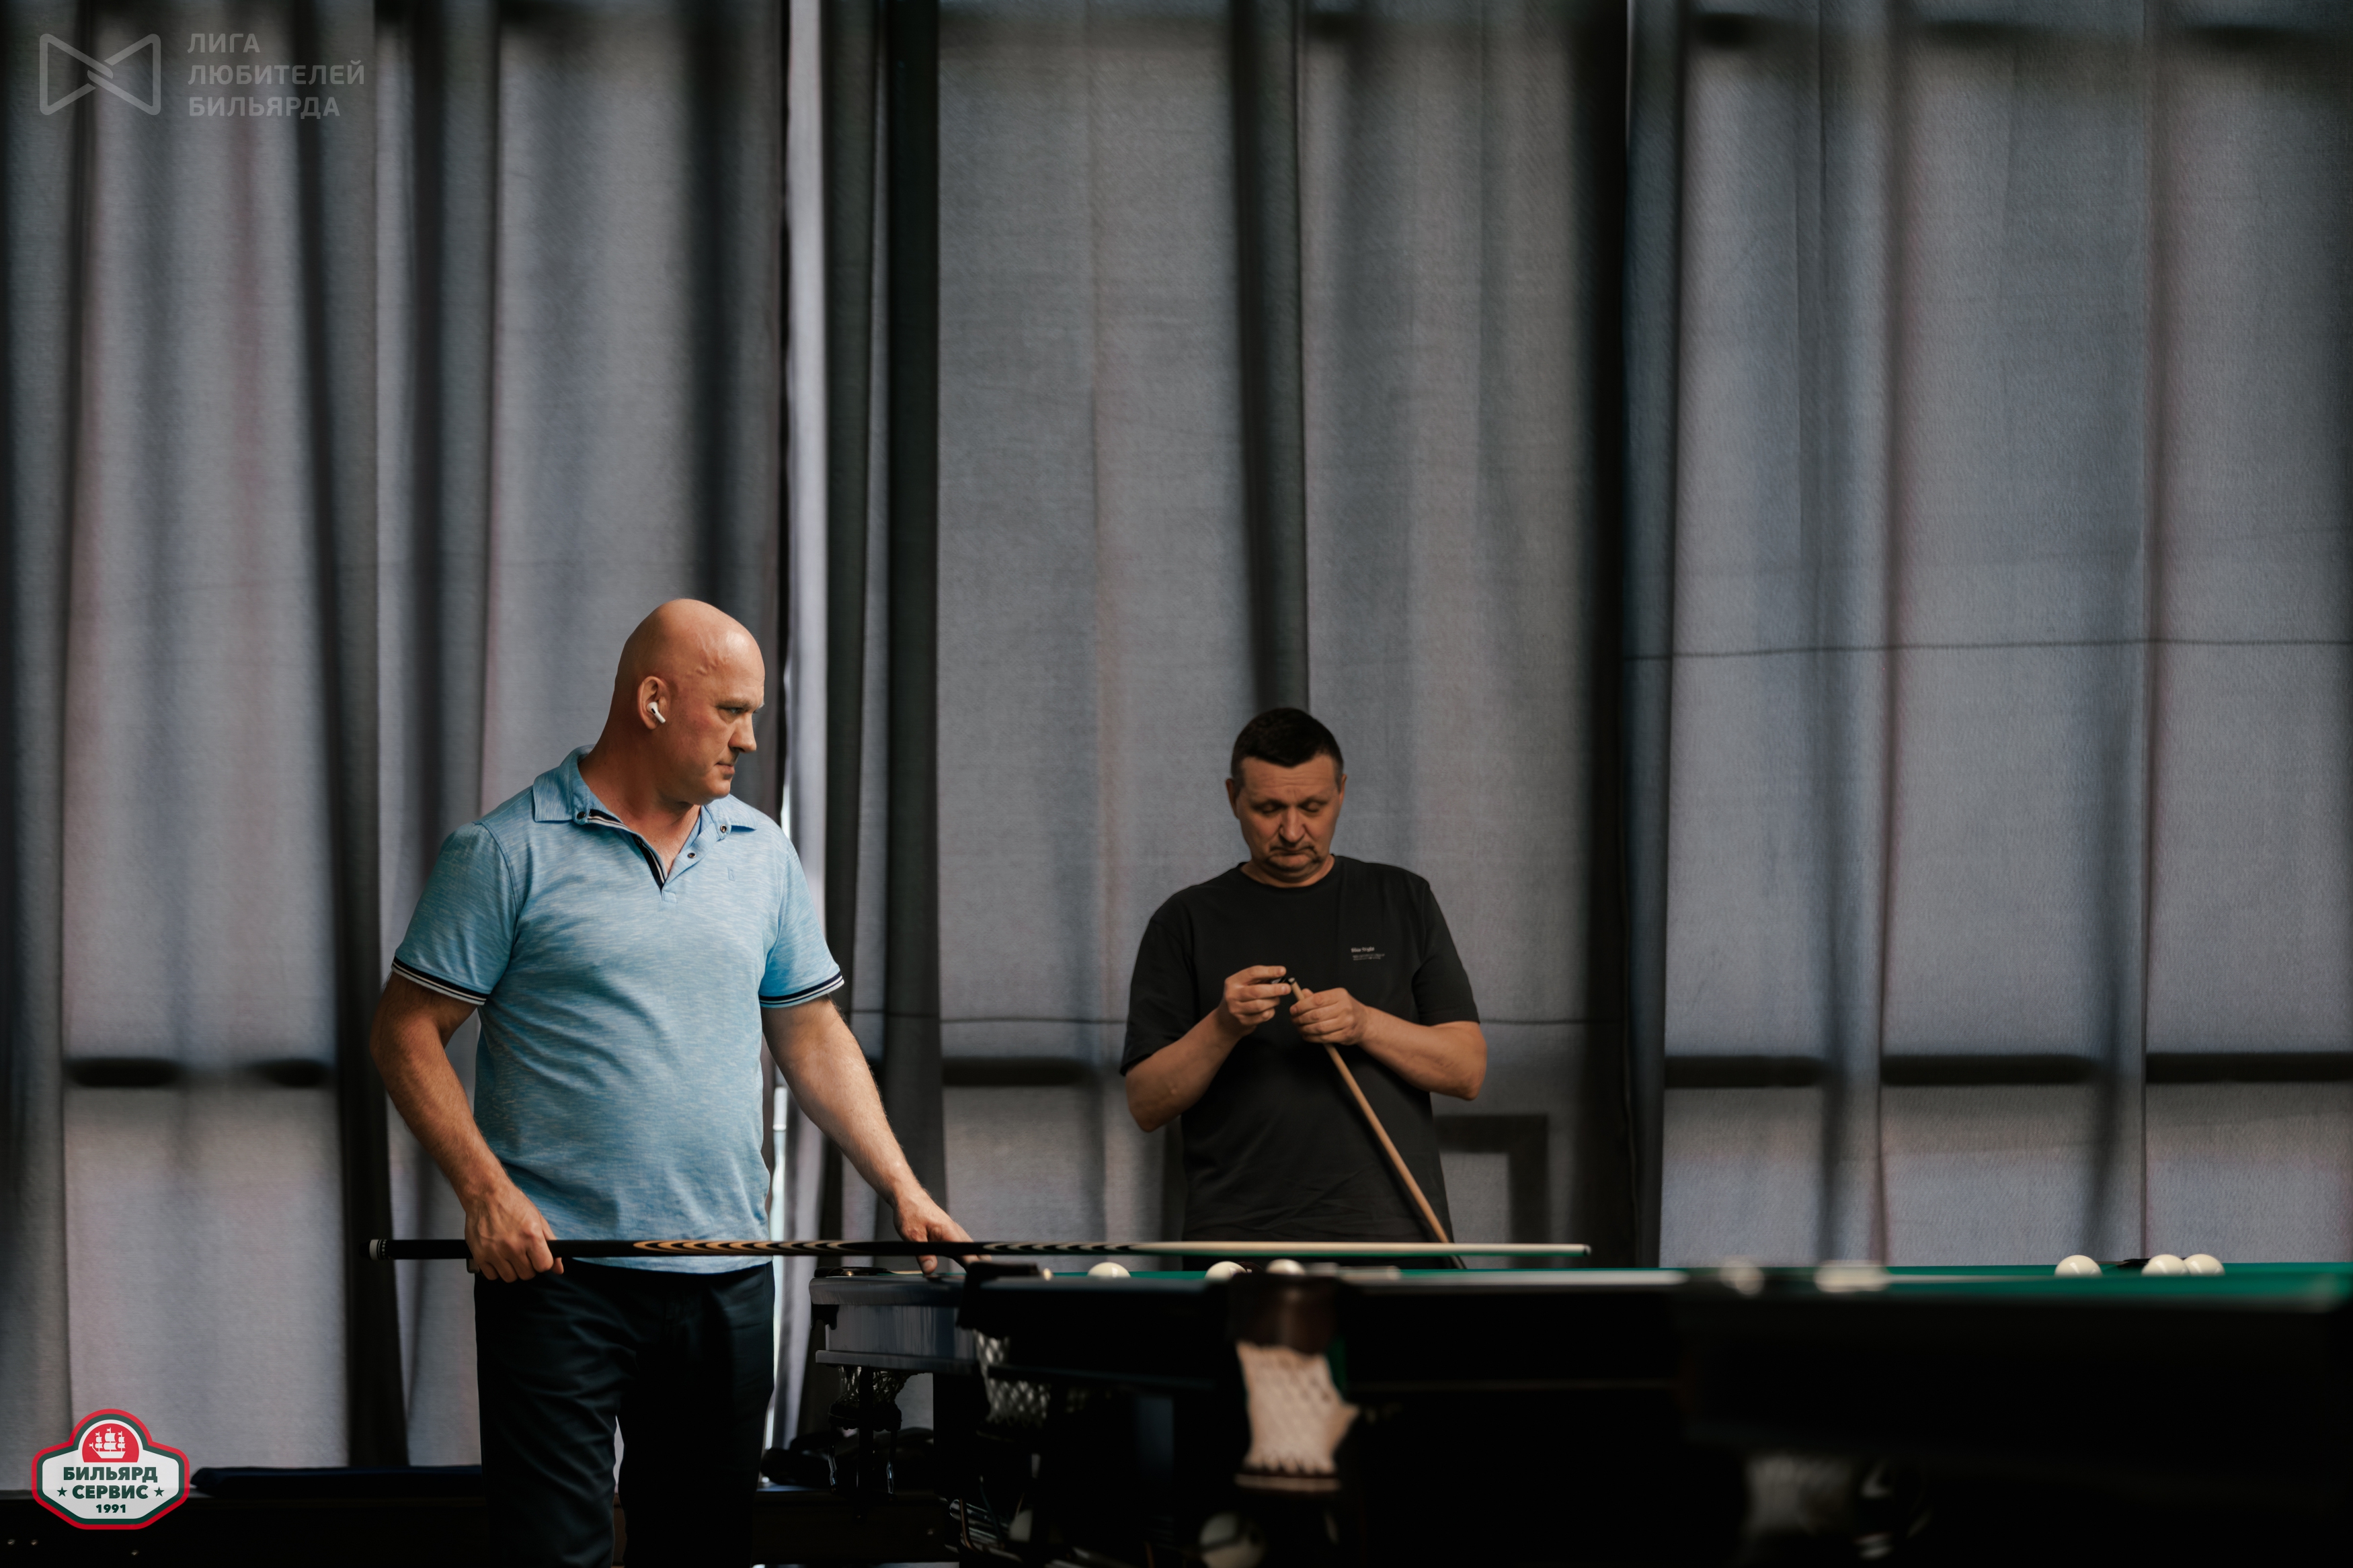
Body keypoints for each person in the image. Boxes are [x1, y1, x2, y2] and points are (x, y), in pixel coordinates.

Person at [372, 599, 967, 1568]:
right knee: (554, 1558)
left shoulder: (761, 851)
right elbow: (403, 1032)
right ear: (654, 702)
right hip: (556, 1278)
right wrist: (486, 1194)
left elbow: (811, 1031)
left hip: (726, 1276)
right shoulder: (505, 850)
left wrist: (901, 1185)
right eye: (731, 710)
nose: (750, 738)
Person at [1121, 708, 1486, 1242]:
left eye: (1312, 807)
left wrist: (1365, 1024)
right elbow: (1146, 1104)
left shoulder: (1403, 899)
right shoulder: (1184, 921)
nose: (1293, 831)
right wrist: (1223, 1025)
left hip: (1394, 1233)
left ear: (1341, 792)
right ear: (1233, 797)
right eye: (1269, 808)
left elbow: (1467, 1071)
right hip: (1238, 1239)